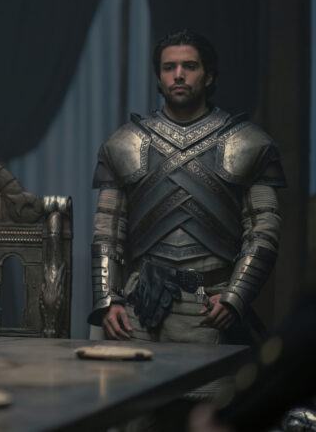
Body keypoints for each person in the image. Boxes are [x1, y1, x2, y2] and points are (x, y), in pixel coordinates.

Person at [88, 29, 285, 345]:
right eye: (169, 67)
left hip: (210, 308)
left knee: (210, 379)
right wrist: (109, 299)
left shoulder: (247, 143)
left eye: (189, 66)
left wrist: (236, 295)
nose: (178, 75)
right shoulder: (125, 143)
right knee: (132, 378)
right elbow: (107, 233)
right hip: (139, 307)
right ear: (159, 77)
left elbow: (263, 231)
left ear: (209, 76)